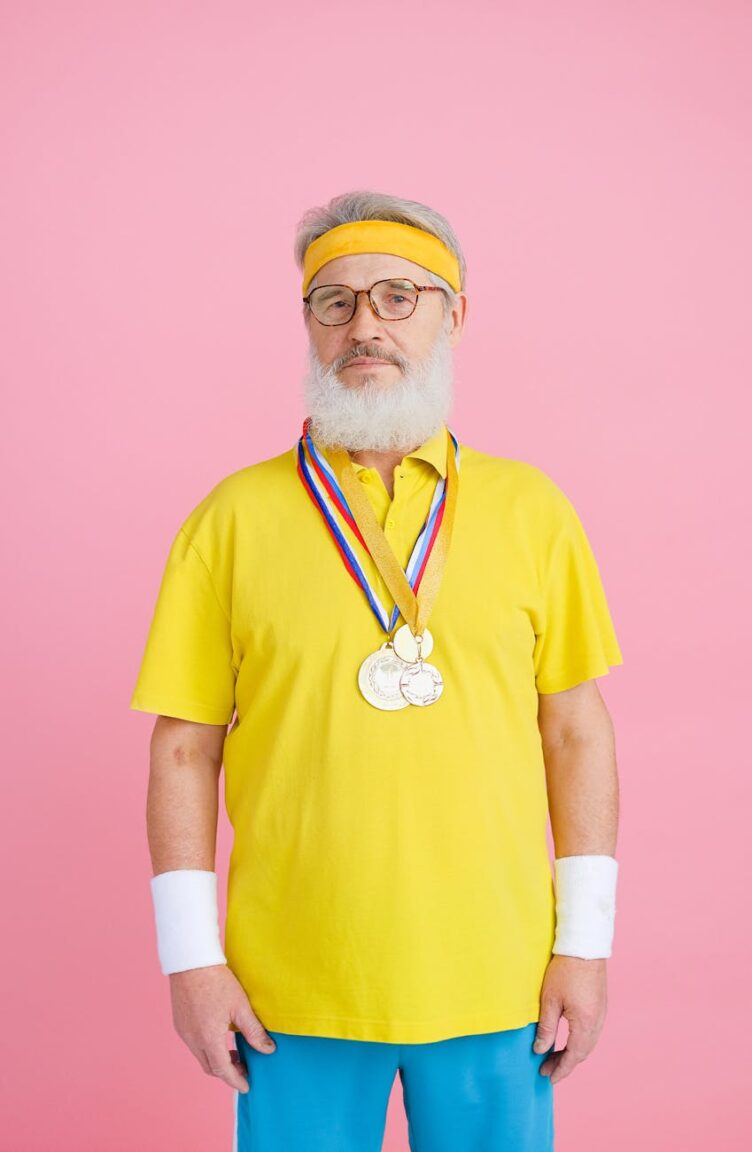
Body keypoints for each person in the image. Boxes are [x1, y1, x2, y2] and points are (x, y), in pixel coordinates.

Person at [130, 189, 624, 1152]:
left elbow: (576, 732)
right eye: (336, 301)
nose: (366, 326)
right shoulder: (229, 520)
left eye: (400, 296)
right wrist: (189, 959)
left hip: (501, 978)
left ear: (455, 316)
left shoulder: (534, 512)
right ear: (309, 323)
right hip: (288, 988)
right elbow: (184, 749)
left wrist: (586, 945)